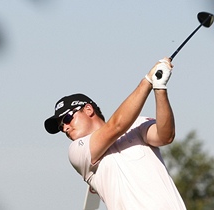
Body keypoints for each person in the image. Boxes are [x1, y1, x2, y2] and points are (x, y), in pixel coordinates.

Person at [44, 58, 186, 210]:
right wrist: (147, 81)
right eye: (61, 127)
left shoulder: (137, 124)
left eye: (67, 119)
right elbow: (116, 126)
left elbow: (165, 136)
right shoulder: (76, 151)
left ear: (88, 110)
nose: (65, 128)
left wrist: (159, 88)